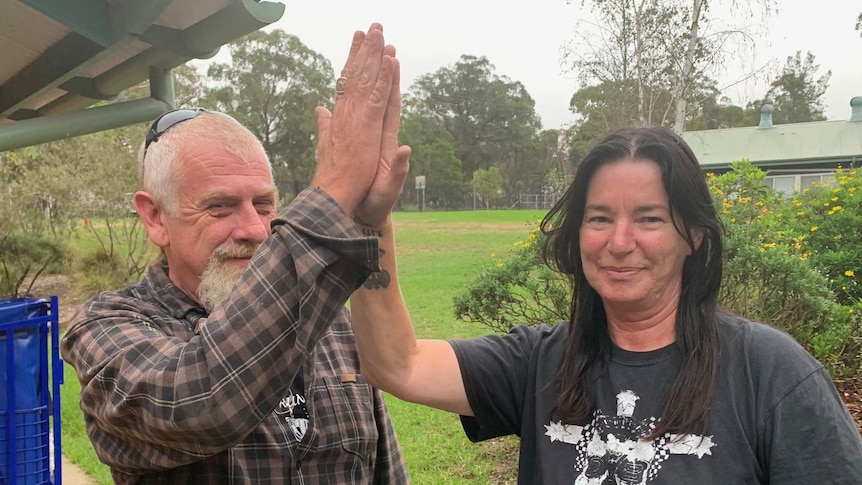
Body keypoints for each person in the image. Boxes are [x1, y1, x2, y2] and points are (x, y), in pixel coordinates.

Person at [348, 126, 862, 484]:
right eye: (598, 218)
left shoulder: (770, 372)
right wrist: (370, 228)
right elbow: (399, 364)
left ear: (695, 235)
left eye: (650, 218)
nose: (619, 242)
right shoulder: (541, 362)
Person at [61, 23, 412, 484]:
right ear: (155, 218)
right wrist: (334, 191)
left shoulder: (331, 322)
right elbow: (201, 402)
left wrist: (367, 218)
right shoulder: (107, 329)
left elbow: (384, 468)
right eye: (220, 207)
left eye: (265, 203)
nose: (254, 228)